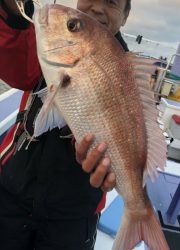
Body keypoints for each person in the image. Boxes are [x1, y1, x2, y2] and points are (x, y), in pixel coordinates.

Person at [0, 0, 131, 249]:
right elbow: (18, 69)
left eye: (112, 2)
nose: (98, 8)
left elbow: (126, 137)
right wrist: (11, 11)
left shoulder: (130, 78)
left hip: (73, 217)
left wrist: (114, 168)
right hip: (11, 193)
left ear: (125, 17)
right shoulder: (54, 40)